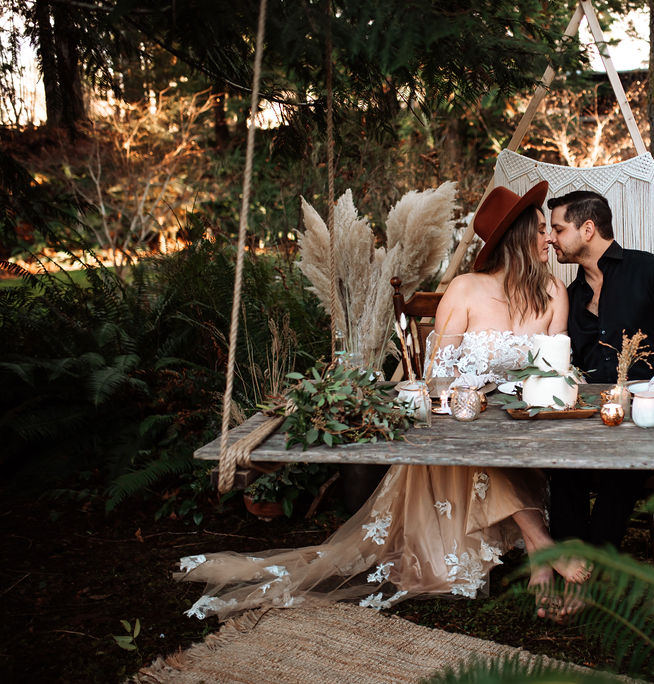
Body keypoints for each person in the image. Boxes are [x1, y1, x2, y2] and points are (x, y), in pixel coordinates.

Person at [176, 182, 587, 621]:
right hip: (458, 427)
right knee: (474, 448)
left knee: (502, 446)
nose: (550, 238)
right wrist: (469, 400)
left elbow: (555, 369)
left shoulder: (552, 293)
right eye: (542, 228)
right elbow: (434, 376)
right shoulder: (466, 289)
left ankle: (540, 556)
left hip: (520, 423)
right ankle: (542, 547)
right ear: (519, 236)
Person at [544, 190, 654, 549]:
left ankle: (589, 566)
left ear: (588, 229)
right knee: (559, 464)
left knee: (623, 467)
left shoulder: (650, 270)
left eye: (558, 229)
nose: (550, 238)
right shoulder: (573, 294)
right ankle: (574, 560)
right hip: (590, 422)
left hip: (645, 423)